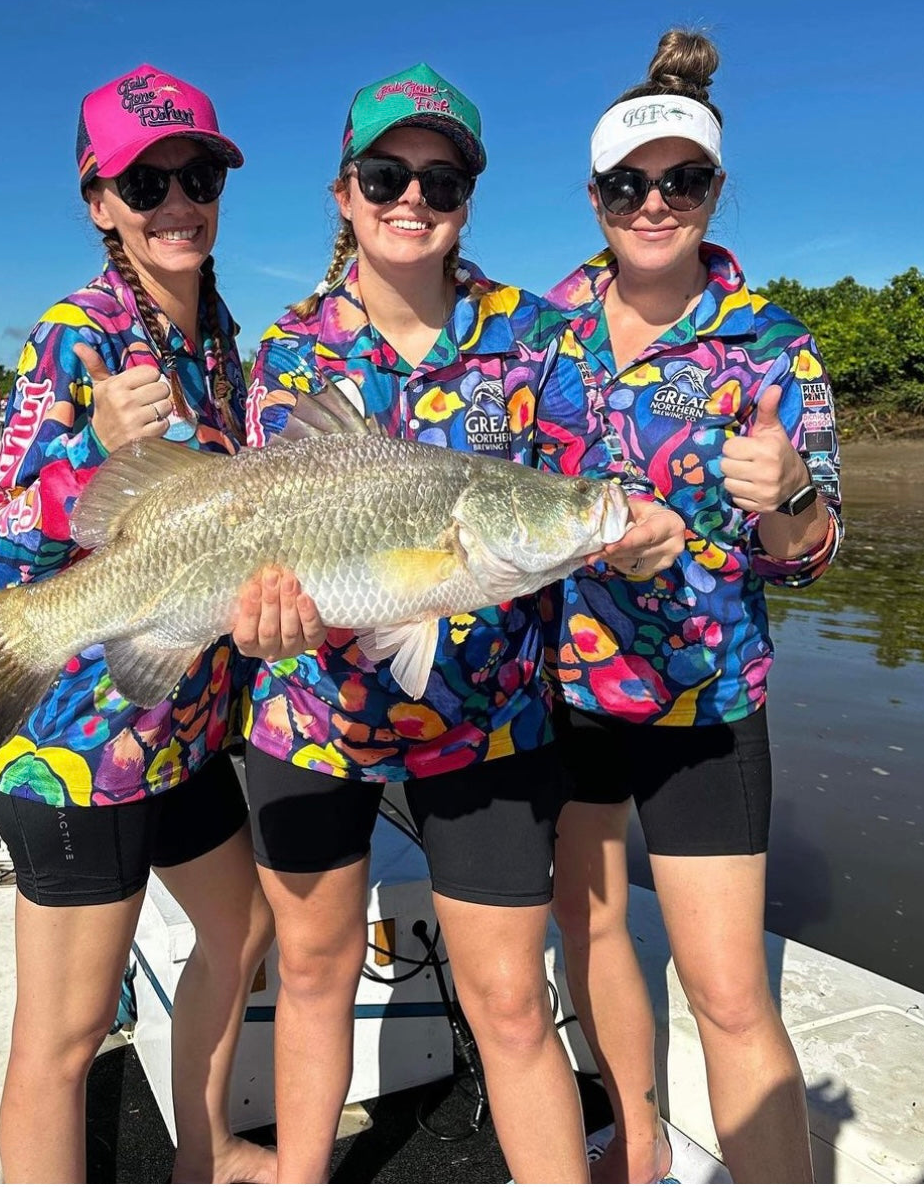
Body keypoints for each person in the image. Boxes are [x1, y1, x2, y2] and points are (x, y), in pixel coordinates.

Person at [233, 62, 687, 1185]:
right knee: (310, 975)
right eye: (387, 173)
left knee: (509, 1003)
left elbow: (597, 489)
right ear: (345, 192)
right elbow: (253, 525)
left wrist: (637, 528)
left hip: (486, 726)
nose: (413, 198)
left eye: (442, 179)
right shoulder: (290, 351)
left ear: (468, 199)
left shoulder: (534, 338)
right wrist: (261, 621)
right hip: (311, 716)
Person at [542, 30, 843, 1184]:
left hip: (707, 700)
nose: (653, 203)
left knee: (726, 988)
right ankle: (639, 1138)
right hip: (564, 689)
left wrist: (790, 497)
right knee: (594, 928)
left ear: (715, 189)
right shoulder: (538, 327)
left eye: (681, 180)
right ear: (595, 196)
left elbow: (812, 556)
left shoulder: (775, 346)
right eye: (629, 183)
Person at [0, 64, 275, 1186]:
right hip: (77, 744)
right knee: (62, 1036)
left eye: (197, 173)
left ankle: (210, 1152)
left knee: (242, 934)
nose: (176, 200)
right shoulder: (75, 337)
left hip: (183, 724)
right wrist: (83, 451)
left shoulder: (220, 336)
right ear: (100, 202)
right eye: (144, 182)